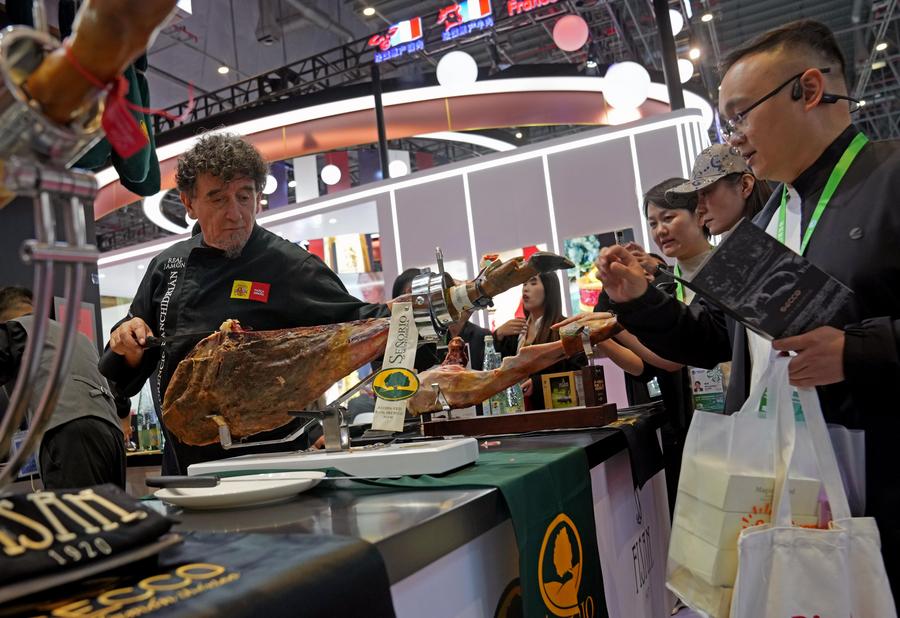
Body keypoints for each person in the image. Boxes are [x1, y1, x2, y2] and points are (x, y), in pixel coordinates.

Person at [596, 20, 900, 597]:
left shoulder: (890, 179)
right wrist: (641, 300)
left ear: (808, 90)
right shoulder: (767, 222)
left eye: (740, 115)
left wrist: (857, 352)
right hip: (787, 495)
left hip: (881, 484)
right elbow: (715, 337)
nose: (732, 138)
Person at [99, 133, 390, 474]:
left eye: (244, 196)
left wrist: (414, 316)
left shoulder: (290, 266)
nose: (235, 213)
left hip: (274, 464)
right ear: (189, 203)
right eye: (218, 199)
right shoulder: (167, 266)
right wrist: (127, 342)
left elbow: (363, 324)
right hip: (184, 466)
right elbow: (128, 358)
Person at [0, 287, 125, 489]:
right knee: (109, 507)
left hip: (70, 435)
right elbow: (118, 392)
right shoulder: (77, 336)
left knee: (73, 509)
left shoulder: (15, 330)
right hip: (112, 435)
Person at [495, 273, 580, 409]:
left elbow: (577, 375)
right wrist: (497, 336)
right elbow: (497, 372)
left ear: (549, 289)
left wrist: (539, 384)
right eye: (524, 284)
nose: (525, 288)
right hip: (517, 411)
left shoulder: (566, 328)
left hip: (554, 412)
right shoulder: (514, 331)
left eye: (533, 283)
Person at [666, 143, 773, 236]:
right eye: (696, 198)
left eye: (706, 193)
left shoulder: (779, 230)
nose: (699, 209)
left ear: (745, 185)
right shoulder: (750, 243)